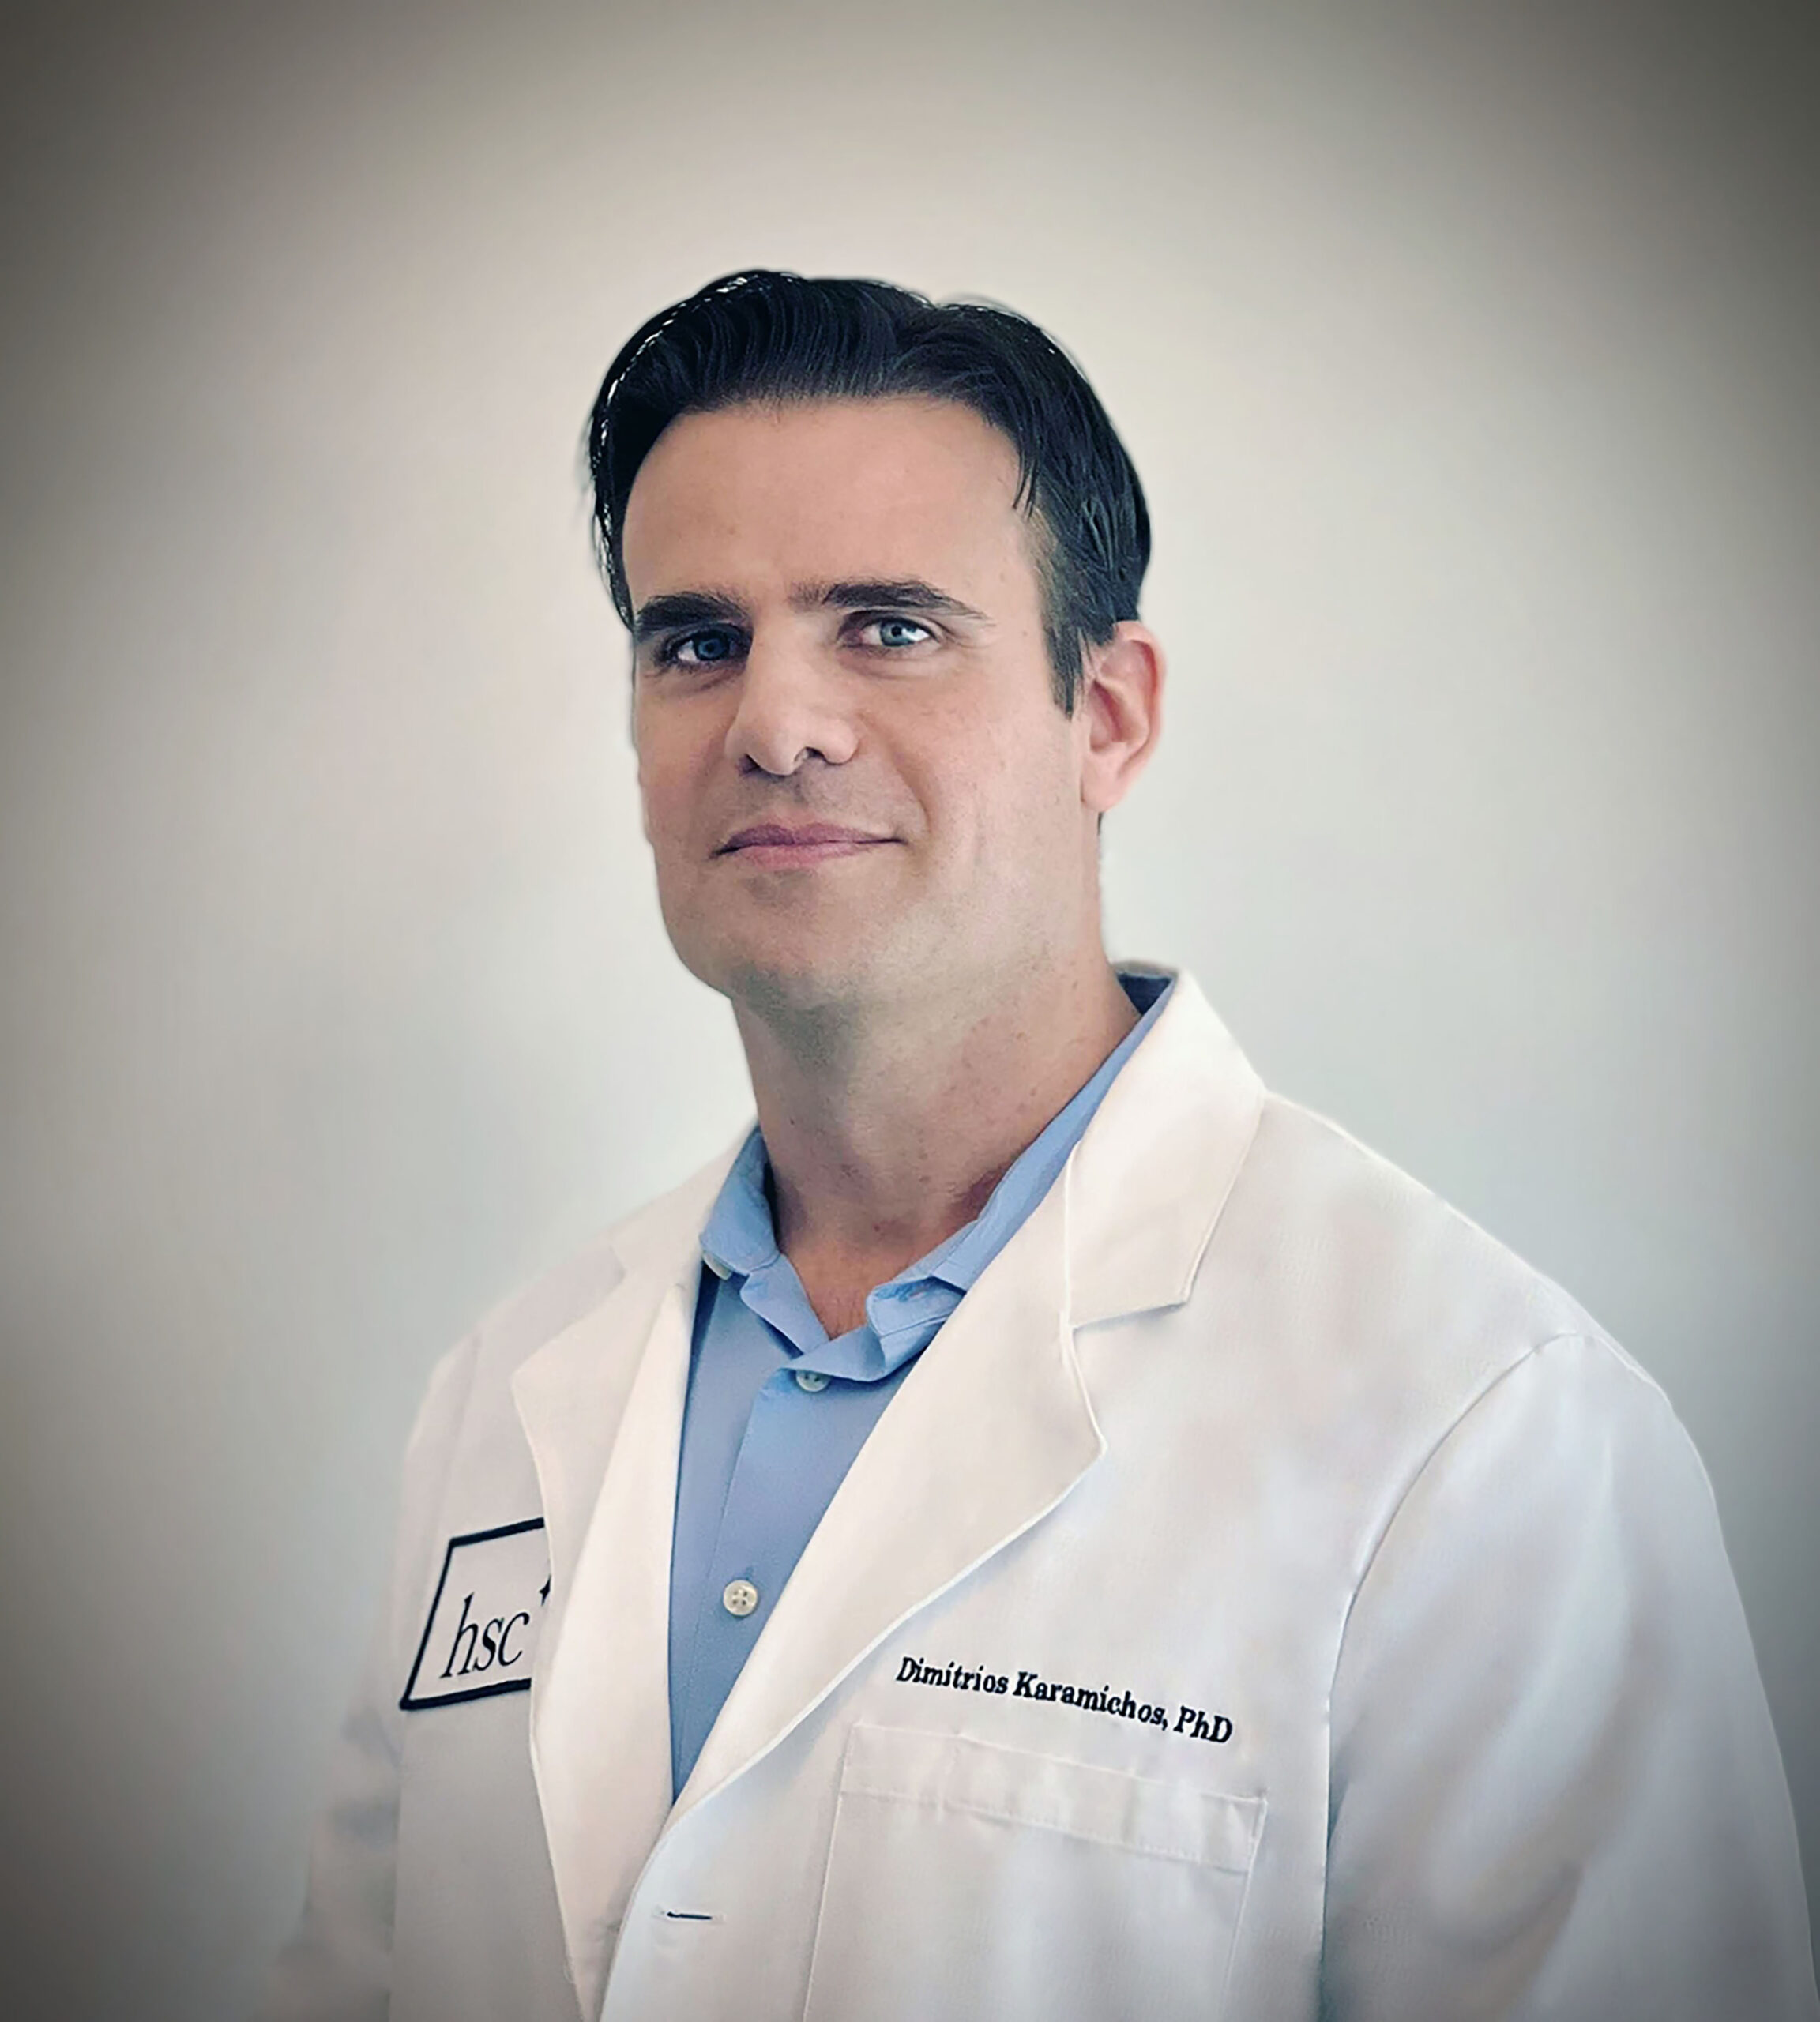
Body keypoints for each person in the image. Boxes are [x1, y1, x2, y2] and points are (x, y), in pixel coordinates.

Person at [260, 271, 1818, 2022]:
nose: (775, 722)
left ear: (1110, 715)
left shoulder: (1484, 1431)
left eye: (888, 628)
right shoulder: (512, 1390)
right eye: (696, 642)